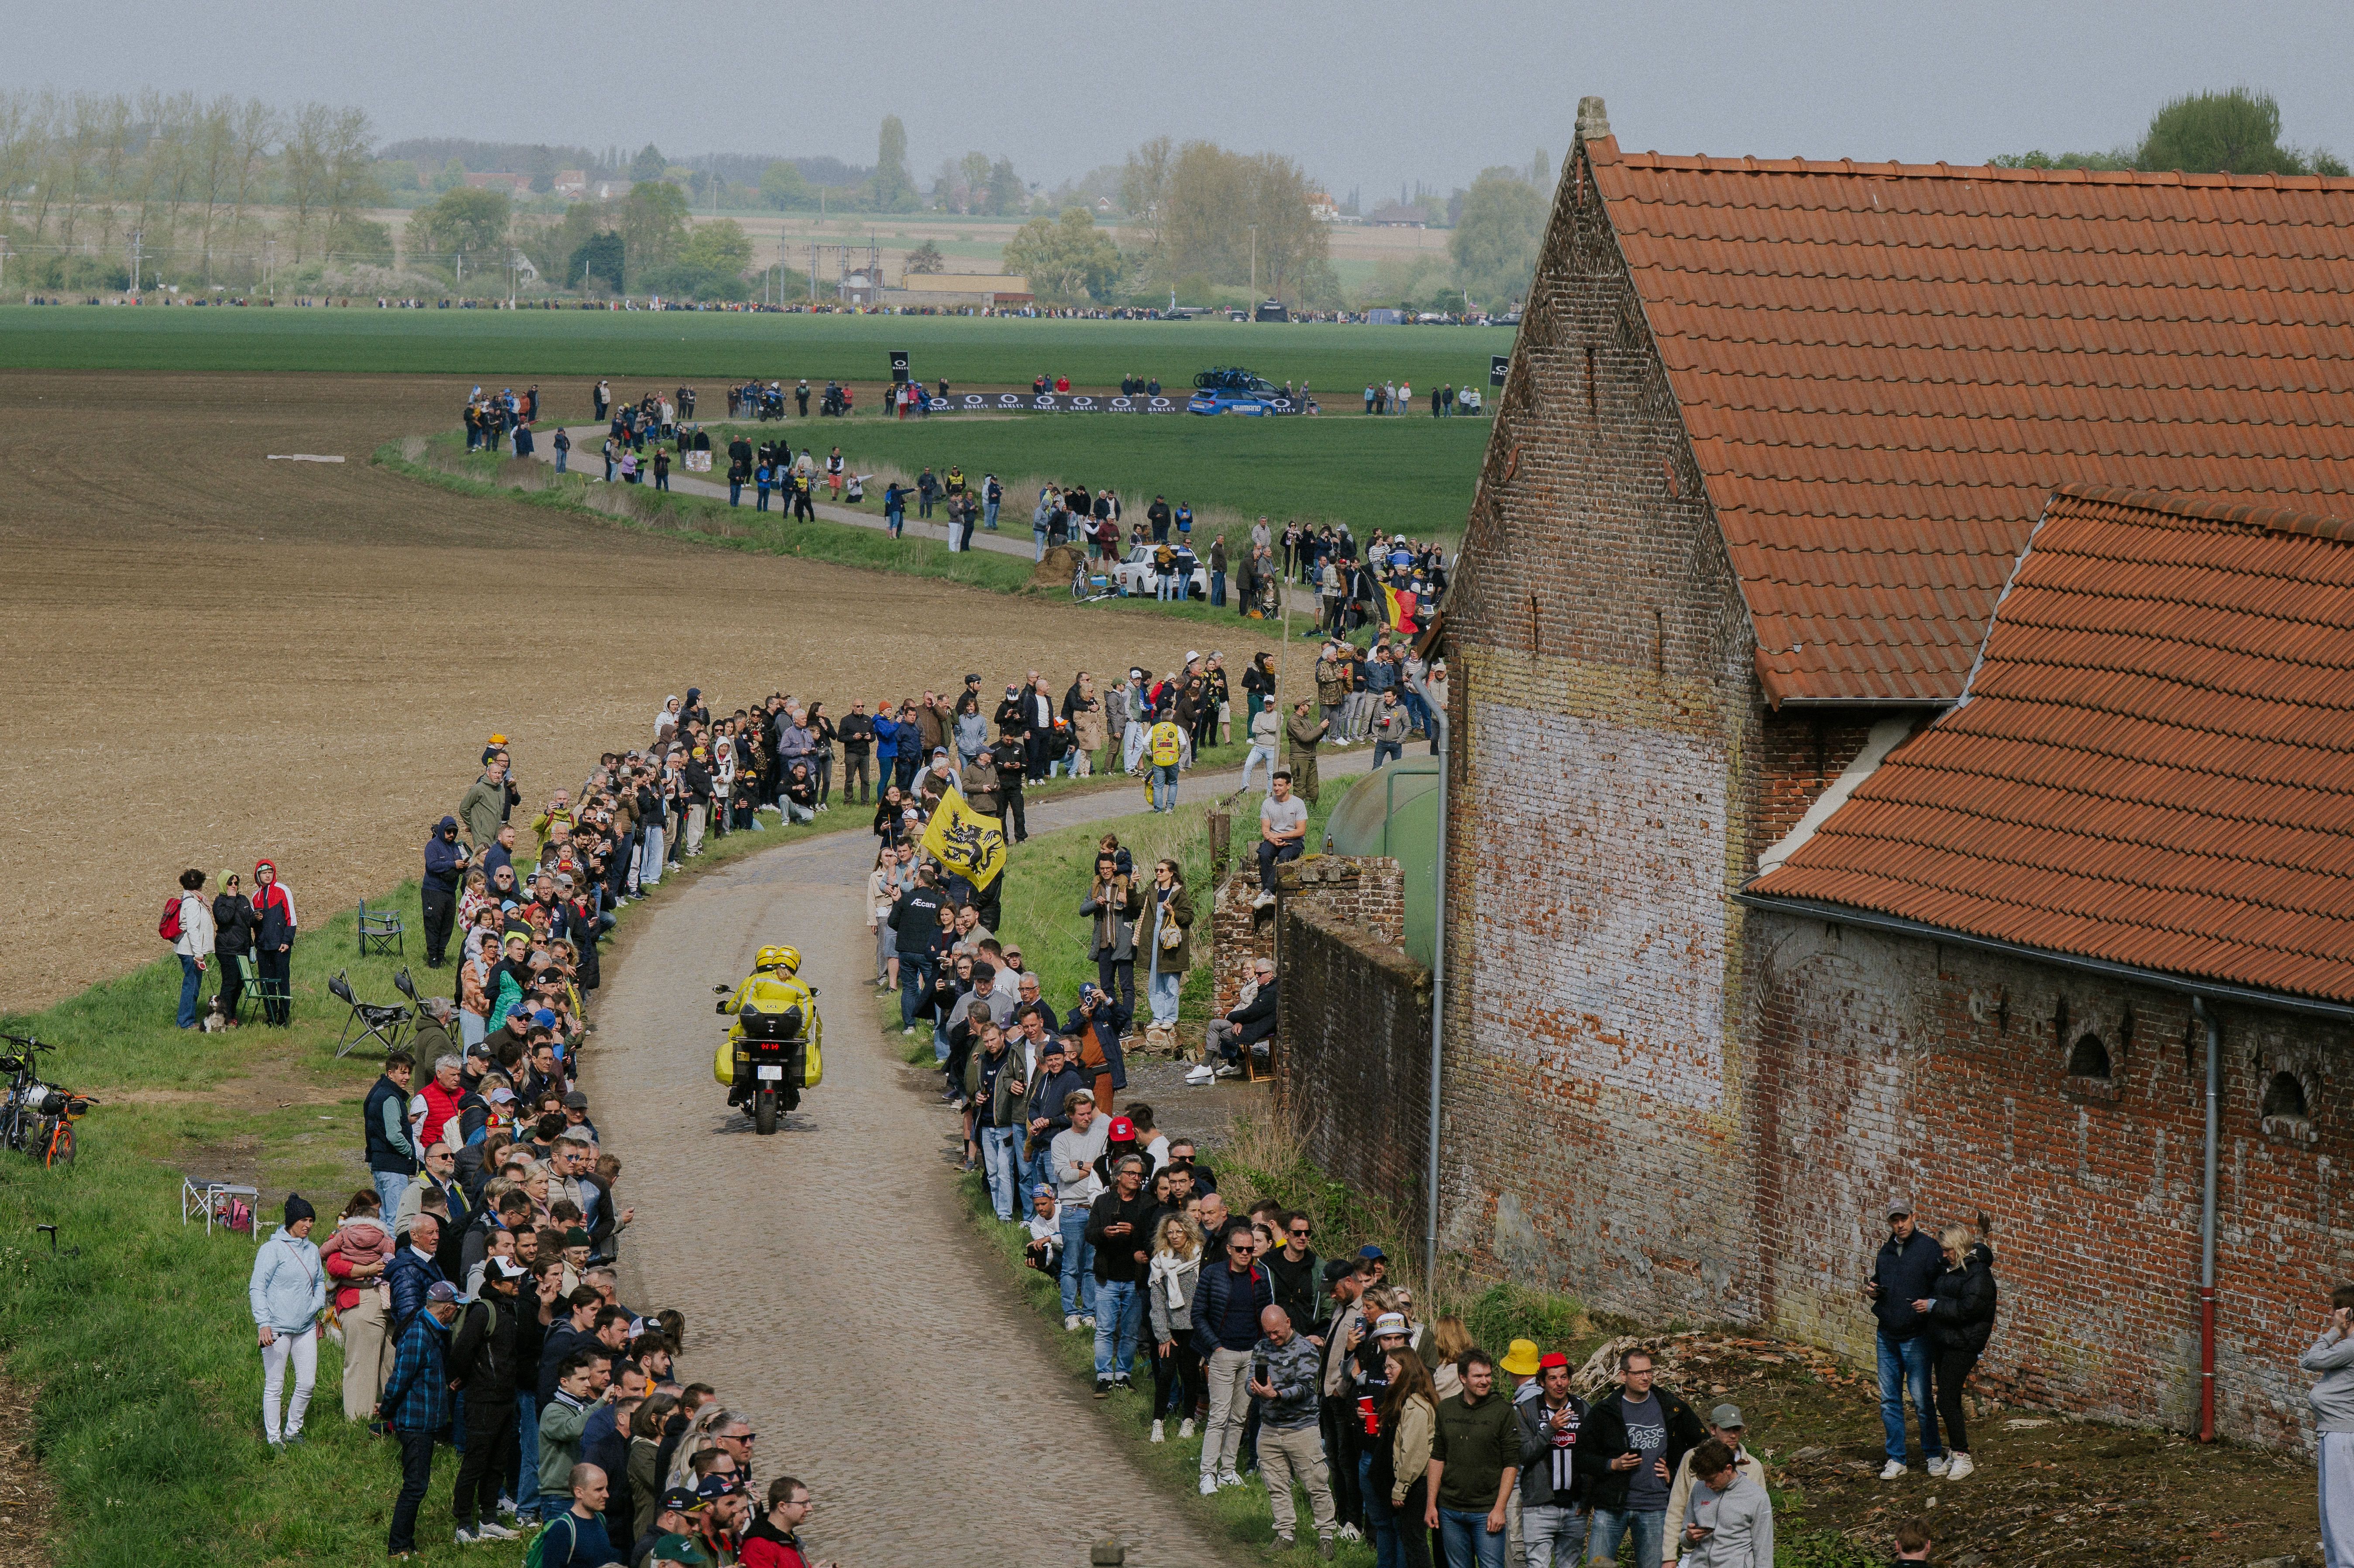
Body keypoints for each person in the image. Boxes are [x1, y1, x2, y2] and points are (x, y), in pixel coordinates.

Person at [1583, 1346, 1704, 1568]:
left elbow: (1702, 1445)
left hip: (1655, 1506)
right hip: (1611, 1506)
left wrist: (1675, 1474)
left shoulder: (1671, 1407)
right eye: (1638, 1373)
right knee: (1597, 1566)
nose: (1646, 1377)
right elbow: (1581, 1456)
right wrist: (1612, 1464)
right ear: (1623, 1375)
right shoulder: (1605, 1411)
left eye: (1649, 1371)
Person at [1193, 1217, 1275, 1492]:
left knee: (1240, 1416)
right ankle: (1208, 1473)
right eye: (1240, 1249)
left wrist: (1261, 1350)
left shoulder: (1260, 1278)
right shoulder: (1213, 1274)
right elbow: (1198, 1314)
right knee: (1219, 1415)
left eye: (1250, 1249)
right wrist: (1215, 1347)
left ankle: (1228, 1470)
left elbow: (1267, 1315)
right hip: (1223, 1353)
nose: (1245, 1254)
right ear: (1229, 1249)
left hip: (1250, 1354)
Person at [380, 1279, 461, 1558]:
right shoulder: (419, 1334)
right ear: (447, 1310)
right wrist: (387, 1410)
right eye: (457, 1307)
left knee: (417, 1485)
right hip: (416, 1424)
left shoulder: (430, 1330)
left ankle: (406, 1543)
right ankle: (398, 1547)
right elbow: (400, 1378)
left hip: (424, 1422)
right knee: (415, 1486)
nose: (458, 1312)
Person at [450, 1255, 528, 1544]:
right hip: (483, 1400)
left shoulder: (511, 1308)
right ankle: (463, 1523)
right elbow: (461, 1351)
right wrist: (470, 1378)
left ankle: (489, 1519)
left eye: (518, 1278)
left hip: (506, 1399)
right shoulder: (484, 1311)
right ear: (496, 1284)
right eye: (512, 1280)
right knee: (476, 1462)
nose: (518, 1283)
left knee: (498, 1463)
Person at [1866, 1199, 1946, 1479]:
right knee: (1889, 1400)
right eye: (1894, 1220)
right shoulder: (1886, 1252)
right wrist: (1873, 1290)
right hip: (1887, 1334)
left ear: (1914, 1216)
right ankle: (1896, 1458)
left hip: (1917, 1336)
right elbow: (1880, 1280)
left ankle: (1933, 1454)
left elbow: (1942, 1286)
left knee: (1922, 1400)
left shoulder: (1929, 1248)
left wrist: (1930, 1306)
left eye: (1903, 1219)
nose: (1899, 1225)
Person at [1913, 1223, 1998, 1481]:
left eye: (1948, 1250)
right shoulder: (1951, 1269)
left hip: (1964, 1344)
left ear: (1960, 1247)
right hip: (1945, 1341)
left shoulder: (1978, 1274)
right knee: (1950, 1400)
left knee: (1946, 1400)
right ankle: (1956, 1452)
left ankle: (1963, 1456)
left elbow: (1969, 1310)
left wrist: (1933, 1306)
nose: (1944, 1254)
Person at [1250, 1304, 1338, 1555]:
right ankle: (1285, 1534)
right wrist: (1255, 1389)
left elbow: (1306, 1388)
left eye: (1277, 1332)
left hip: (1302, 1428)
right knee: (1276, 1485)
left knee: (1316, 1484)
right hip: (1269, 1428)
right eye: (1268, 1333)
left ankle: (1326, 1536)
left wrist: (1276, 1394)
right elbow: (1249, 1381)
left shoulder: (1305, 1349)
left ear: (1288, 1322)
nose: (1273, 1337)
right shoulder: (1261, 1348)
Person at [249, 1193, 325, 1451]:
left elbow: (320, 1281)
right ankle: (274, 1438)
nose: (309, 1225)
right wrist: (264, 1324)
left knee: (308, 1384)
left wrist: (316, 1305)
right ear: (292, 1220)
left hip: (306, 1328)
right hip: (277, 1330)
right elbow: (257, 1288)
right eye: (304, 1220)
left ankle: (293, 1431)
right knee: (275, 1385)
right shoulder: (271, 1250)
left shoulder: (313, 1250)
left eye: (312, 1221)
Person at [1430, 1348, 1518, 1568]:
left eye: (1488, 1375)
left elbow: (1511, 1463)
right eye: (1478, 1376)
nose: (1485, 1381)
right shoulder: (1446, 1409)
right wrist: (1431, 1504)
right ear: (1462, 1378)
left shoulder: (1503, 1411)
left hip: (1486, 1510)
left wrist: (1500, 1508)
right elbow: (1438, 1457)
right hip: (1450, 1509)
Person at [1086, 1152, 1159, 1397]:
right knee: (1105, 1330)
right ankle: (1104, 1377)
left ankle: (1124, 1377)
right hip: (1107, 1276)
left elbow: (1154, 1237)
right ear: (1119, 1176)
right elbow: (1089, 1234)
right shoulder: (1103, 1202)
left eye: (1140, 1175)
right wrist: (1105, 1233)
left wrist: (1134, 1231)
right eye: (1131, 1173)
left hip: (1136, 1278)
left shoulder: (1148, 1203)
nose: (1137, 1178)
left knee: (1130, 1332)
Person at [1662, 1403, 1766, 1563]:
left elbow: (1760, 1524)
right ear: (1713, 1429)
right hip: (1694, 1555)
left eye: (1737, 1429)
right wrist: (1669, 1557)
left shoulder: (1753, 1467)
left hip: (1736, 1559)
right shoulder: (1692, 1458)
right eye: (1727, 1430)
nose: (1733, 1435)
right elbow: (1676, 1508)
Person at [1515, 1351, 1590, 1568]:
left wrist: (1588, 1497)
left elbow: (1593, 1455)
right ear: (1541, 1382)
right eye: (1553, 1378)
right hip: (1539, 1507)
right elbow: (1524, 1455)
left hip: (1575, 1507)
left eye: (1564, 1377)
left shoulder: (1583, 1408)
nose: (1560, 1383)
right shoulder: (1527, 1411)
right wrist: (1551, 1429)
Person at [1371, 1344, 1439, 1568]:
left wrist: (1401, 1488)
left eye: (1392, 1367)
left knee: (1414, 1542)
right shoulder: (1404, 1399)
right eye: (1386, 1367)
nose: (1387, 1372)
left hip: (1416, 1484)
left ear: (1407, 1368)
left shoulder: (1415, 1405)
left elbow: (1413, 1453)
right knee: (1410, 1540)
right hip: (1413, 1482)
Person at [2306, 1286, 2354, 1565]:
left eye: (2334, 1311)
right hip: (2335, 1430)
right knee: (2331, 1508)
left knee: (2341, 1508)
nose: (2331, 1315)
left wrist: (2336, 1331)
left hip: (2342, 1434)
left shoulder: (2351, 1347)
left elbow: (2310, 1360)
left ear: (2347, 1313)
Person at [1148, 1213, 1205, 1444]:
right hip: (1170, 1331)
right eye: (1170, 1232)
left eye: (1179, 1231)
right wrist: (1163, 1335)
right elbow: (1157, 1301)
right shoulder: (1160, 1262)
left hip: (1194, 1328)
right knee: (1166, 1376)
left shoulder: (1199, 1258)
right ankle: (1158, 1423)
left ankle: (1188, 1419)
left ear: (1188, 1232)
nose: (1175, 1236)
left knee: (1190, 1375)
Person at [1673, 1437, 1772, 1568]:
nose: (1707, 1485)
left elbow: (1764, 1552)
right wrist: (1688, 1537)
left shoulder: (1758, 1497)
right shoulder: (1699, 1488)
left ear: (1729, 1469)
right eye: (1703, 1480)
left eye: (1712, 1479)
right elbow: (1685, 1539)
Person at [1204, 958, 1278, 1081]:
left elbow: (1252, 1012)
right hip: (1252, 1025)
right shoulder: (1266, 987)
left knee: (1216, 1027)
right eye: (1257, 973)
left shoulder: (1269, 992)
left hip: (1257, 1029)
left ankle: (1210, 1069)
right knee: (1216, 1028)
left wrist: (1232, 1017)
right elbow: (1251, 1011)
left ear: (1270, 974)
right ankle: (1209, 1069)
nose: (1257, 976)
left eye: (1260, 974)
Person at [1143, 858, 1193, 1032]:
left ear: (1171, 874)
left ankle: (1170, 1018)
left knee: (1171, 983)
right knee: (1155, 983)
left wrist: (1173, 912)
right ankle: (1158, 1017)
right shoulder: (1152, 890)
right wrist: (1132, 886)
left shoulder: (1180, 893)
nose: (1158, 873)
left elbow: (1189, 917)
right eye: (1157, 870)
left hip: (1171, 945)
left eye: (1162, 870)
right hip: (1153, 942)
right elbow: (1136, 903)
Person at [538, 1462, 621, 1568]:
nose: (606, 1495)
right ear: (579, 1493)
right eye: (599, 1490)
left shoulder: (601, 1520)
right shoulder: (562, 1529)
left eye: (606, 1488)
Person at [251, 858, 297, 1025]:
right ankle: (271, 1017)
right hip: (263, 948)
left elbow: (292, 918)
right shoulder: (255, 897)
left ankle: (283, 1018)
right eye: (264, 873)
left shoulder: (283, 890)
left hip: (281, 947)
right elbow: (252, 924)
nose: (268, 875)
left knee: (283, 982)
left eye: (270, 872)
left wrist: (287, 941)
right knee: (266, 984)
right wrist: (254, 919)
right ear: (258, 876)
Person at [1254, 771, 1308, 908]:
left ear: (1289, 786)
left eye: (1280, 785)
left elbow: (1301, 831)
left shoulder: (1298, 804)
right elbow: (1265, 831)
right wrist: (1273, 840)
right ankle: (1270, 894)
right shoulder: (1268, 804)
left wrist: (1278, 836)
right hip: (1273, 839)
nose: (1276, 788)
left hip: (1293, 839)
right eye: (1275, 785)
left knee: (1284, 857)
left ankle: (1268, 892)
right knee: (1264, 854)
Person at [170, 868, 215, 1028]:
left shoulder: (190, 900)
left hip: (189, 950)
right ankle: (186, 1023)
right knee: (192, 986)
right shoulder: (193, 903)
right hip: (191, 951)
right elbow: (193, 930)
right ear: (201, 884)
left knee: (192, 984)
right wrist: (198, 955)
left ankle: (185, 1021)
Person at [423, 815, 468, 966]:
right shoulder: (433, 846)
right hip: (434, 891)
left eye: (454, 832)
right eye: (449, 832)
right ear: (442, 831)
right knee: (434, 924)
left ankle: (441, 955)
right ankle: (433, 957)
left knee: (447, 925)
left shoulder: (455, 846)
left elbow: (456, 864)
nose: (452, 835)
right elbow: (432, 865)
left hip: (450, 891)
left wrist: (462, 866)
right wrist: (453, 864)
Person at [1286, 700, 1329, 806]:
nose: (1310, 708)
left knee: (1314, 792)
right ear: (1301, 706)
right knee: (1300, 791)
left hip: (1311, 758)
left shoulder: (1306, 719)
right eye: (1308, 706)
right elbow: (1305, 737)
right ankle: (1294, 812)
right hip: (1300, 759)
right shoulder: (1293, 721)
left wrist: (1323, 730)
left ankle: (1310, 811)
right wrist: (1321, 727)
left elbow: (1313, 738)